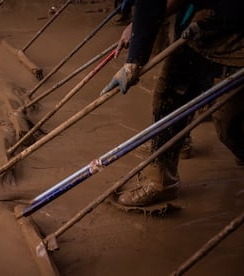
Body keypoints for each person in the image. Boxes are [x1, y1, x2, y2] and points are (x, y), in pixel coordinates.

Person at [103, 0, 244, 207]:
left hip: (236, 35)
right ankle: (160, 180)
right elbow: (151, 4)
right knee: (168, 95)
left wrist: (216, 22)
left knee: (230, 126)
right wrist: (135, 58)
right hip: (196, 24)